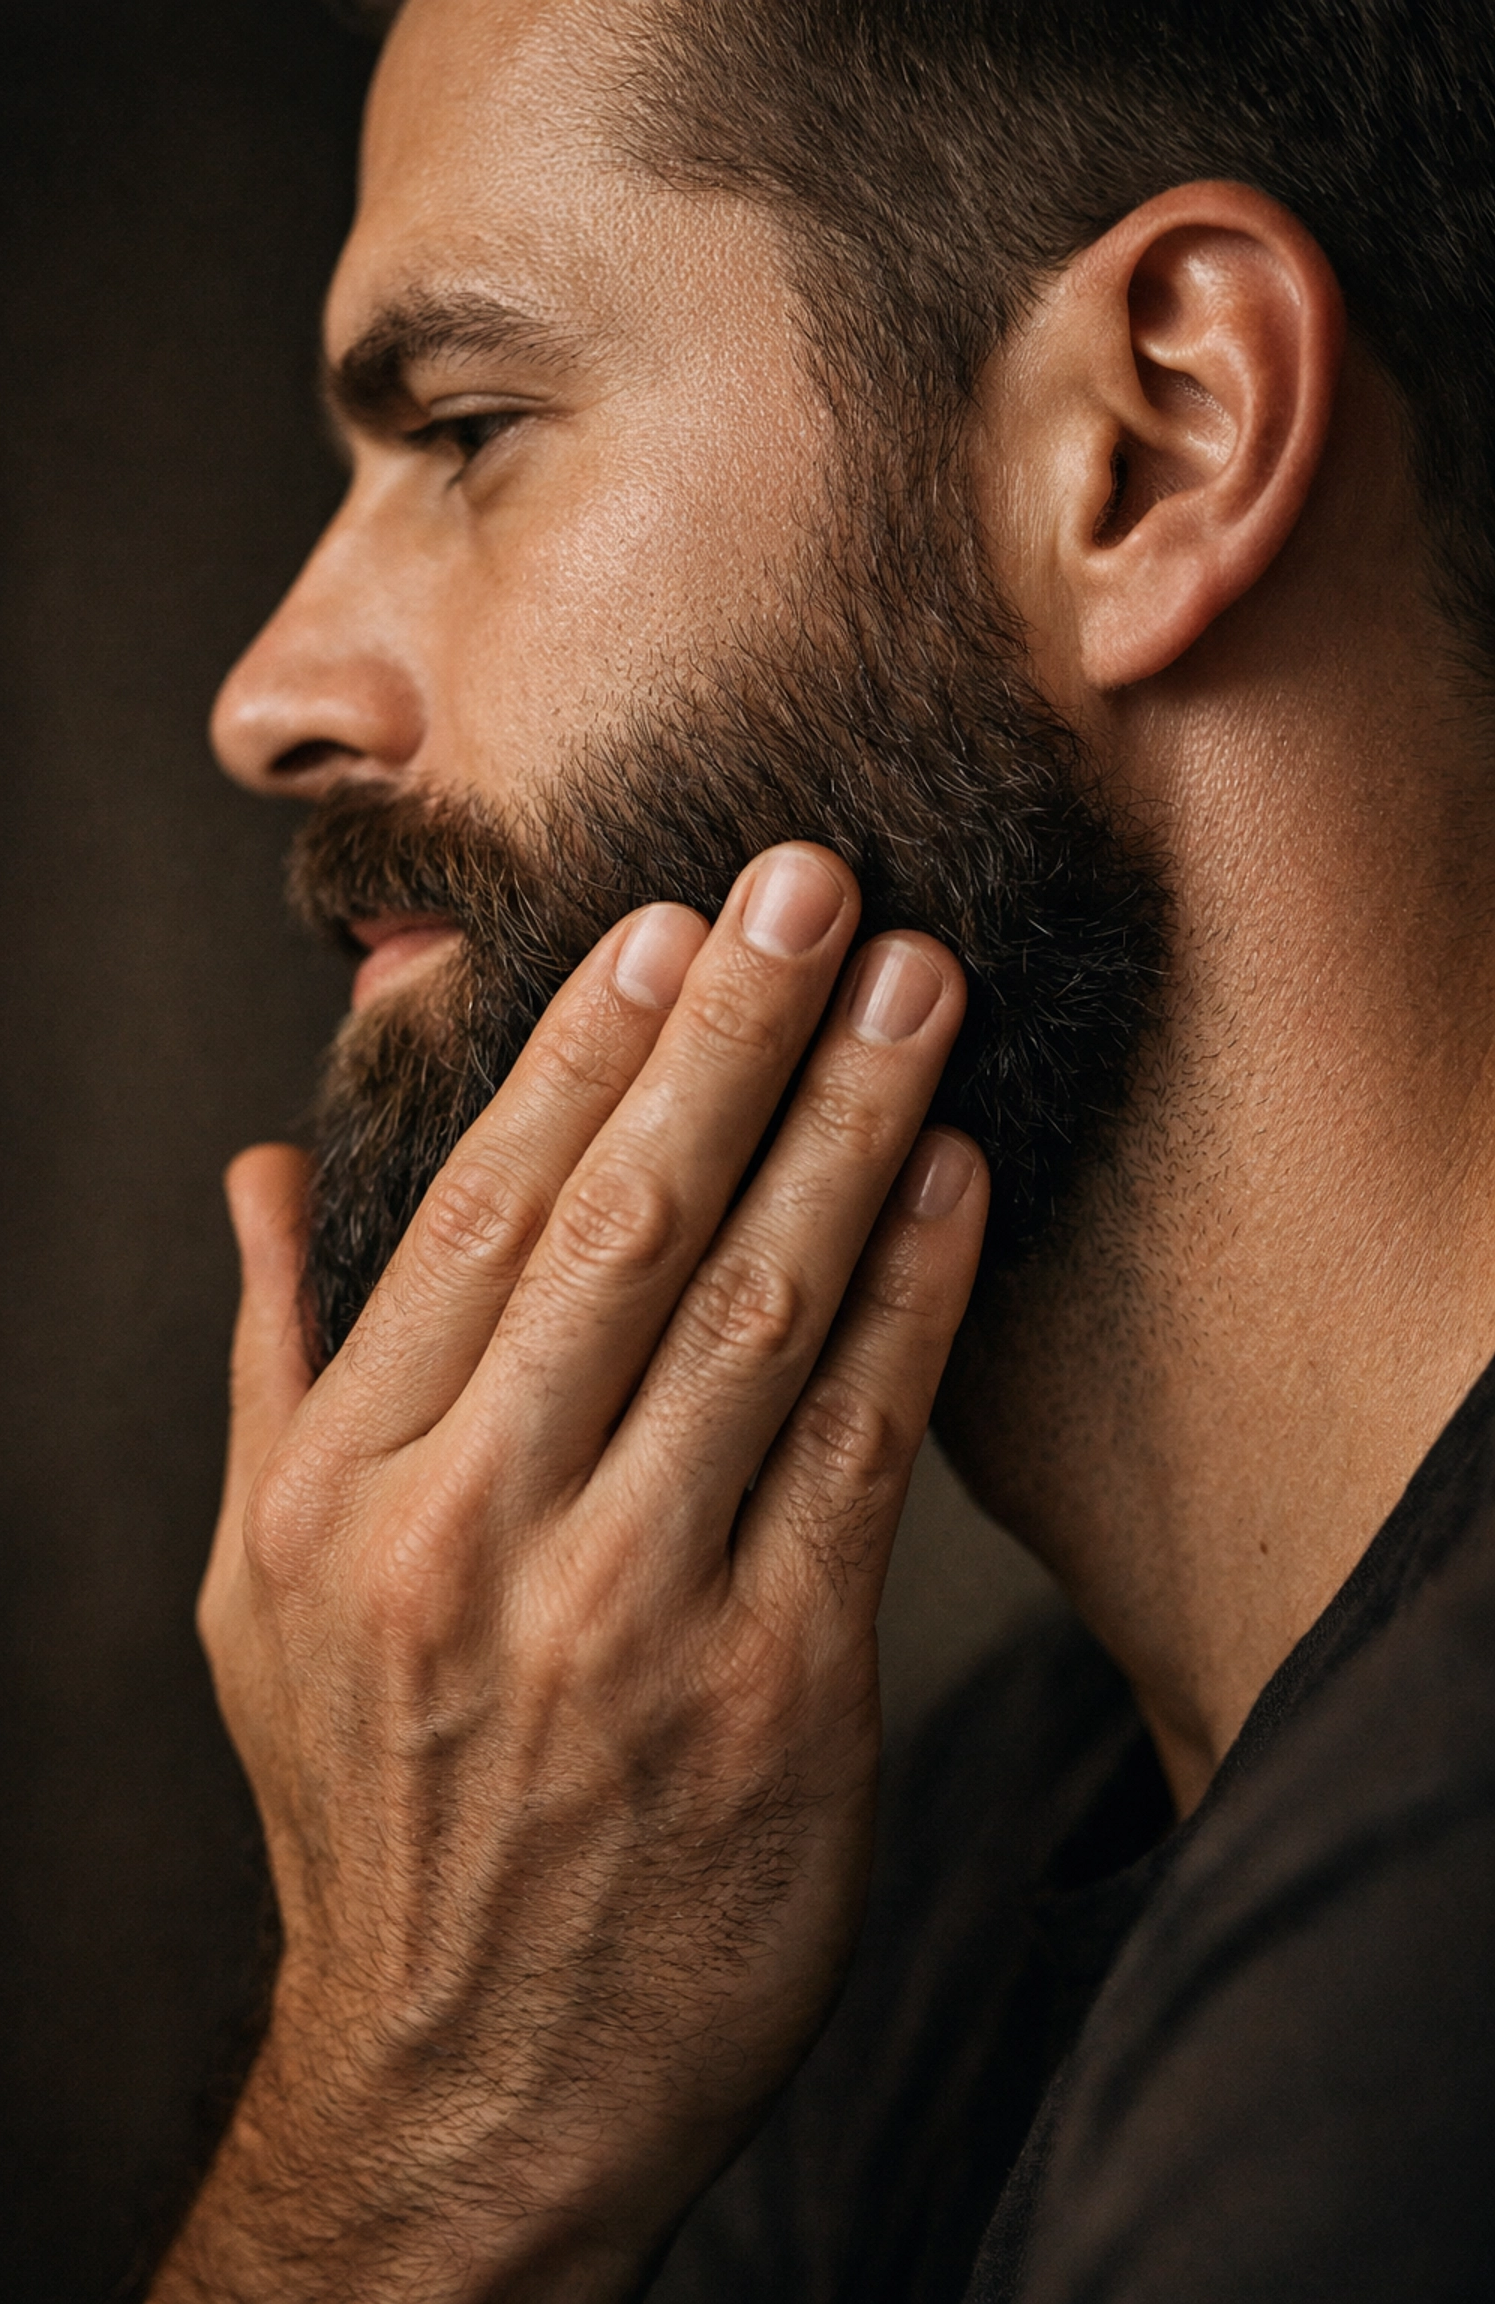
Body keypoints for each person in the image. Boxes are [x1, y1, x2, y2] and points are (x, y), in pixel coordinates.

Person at [152, 0, 1495, 2295]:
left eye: (468, 429)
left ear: (1155, 445)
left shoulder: (1415, 1992)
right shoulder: (904, 1872)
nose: (272, 692)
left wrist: (413, 2164)